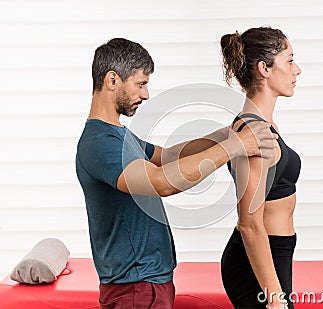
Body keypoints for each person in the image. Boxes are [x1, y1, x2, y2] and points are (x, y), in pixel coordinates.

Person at [75, 38, 278, 309]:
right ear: (112, 80)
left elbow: (169, 156)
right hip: (135, 288)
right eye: (141, 84)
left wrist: (226, 134)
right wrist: (235, 146)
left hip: (148, 283)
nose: (146, 95)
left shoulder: (120, 136)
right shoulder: (100, 143)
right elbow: (161, 182)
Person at [220, 27, 302, 309]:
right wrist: (275, 298)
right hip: (253, 264)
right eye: (290, 61)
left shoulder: (261, 125)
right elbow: (248, 223)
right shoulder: (256, 134)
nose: (297, 70)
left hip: (275, 252)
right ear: (264, 68)